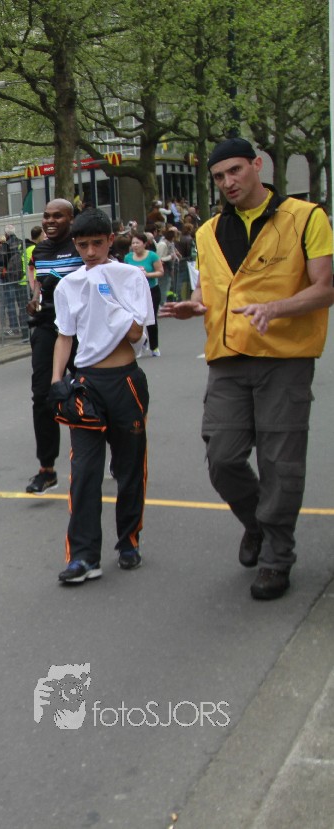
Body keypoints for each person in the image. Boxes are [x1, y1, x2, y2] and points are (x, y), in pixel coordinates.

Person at [160, 137, 334, 600]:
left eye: (235, 170)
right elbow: (212, 288)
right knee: (222, 457)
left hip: (285, 357)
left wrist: (275, 308)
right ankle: (256, 523)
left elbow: (325, 288)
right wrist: (194, 304)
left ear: (257, 165)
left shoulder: (306, 217)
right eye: (219, 176)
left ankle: (277, 557)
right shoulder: (207, 232)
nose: (227, 182)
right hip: (228, 356)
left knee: (280, 463)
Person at [50, 209, 153, 585]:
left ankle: (129, 542)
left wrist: (105, 294)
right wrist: (56, 381)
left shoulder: (131, 277)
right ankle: (83, 556)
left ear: (111, 240)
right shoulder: (68, 286)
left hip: (125, 381)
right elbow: (65, 335)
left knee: (129, 469)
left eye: (97, 243)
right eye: (82, 246)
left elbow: (137, 333)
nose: (90, 252)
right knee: (84, 473)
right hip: (86, 384)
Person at [24, 199, 82, 494]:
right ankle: (47, 470)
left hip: (82, 329)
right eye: (46, 216)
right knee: (42, 397)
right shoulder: (40, 251)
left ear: (71, 219)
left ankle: (107, 449)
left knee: (93, 392)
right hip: (48, 327)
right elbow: (40, 283)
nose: (49, 221)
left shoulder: (81, 246)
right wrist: (35, 299)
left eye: (57, 216)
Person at [124, 232, 164, 356]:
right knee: (137, 319)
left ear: (144, 244)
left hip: (151, 290)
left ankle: (154, 346)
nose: (135, 245)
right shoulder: (128, 258)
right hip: (135, 292)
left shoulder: (152, 256)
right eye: (133, 243)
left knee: (151, 319)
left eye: (138, 243)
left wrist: (147, 274)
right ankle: (141, 342)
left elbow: (160, 272)